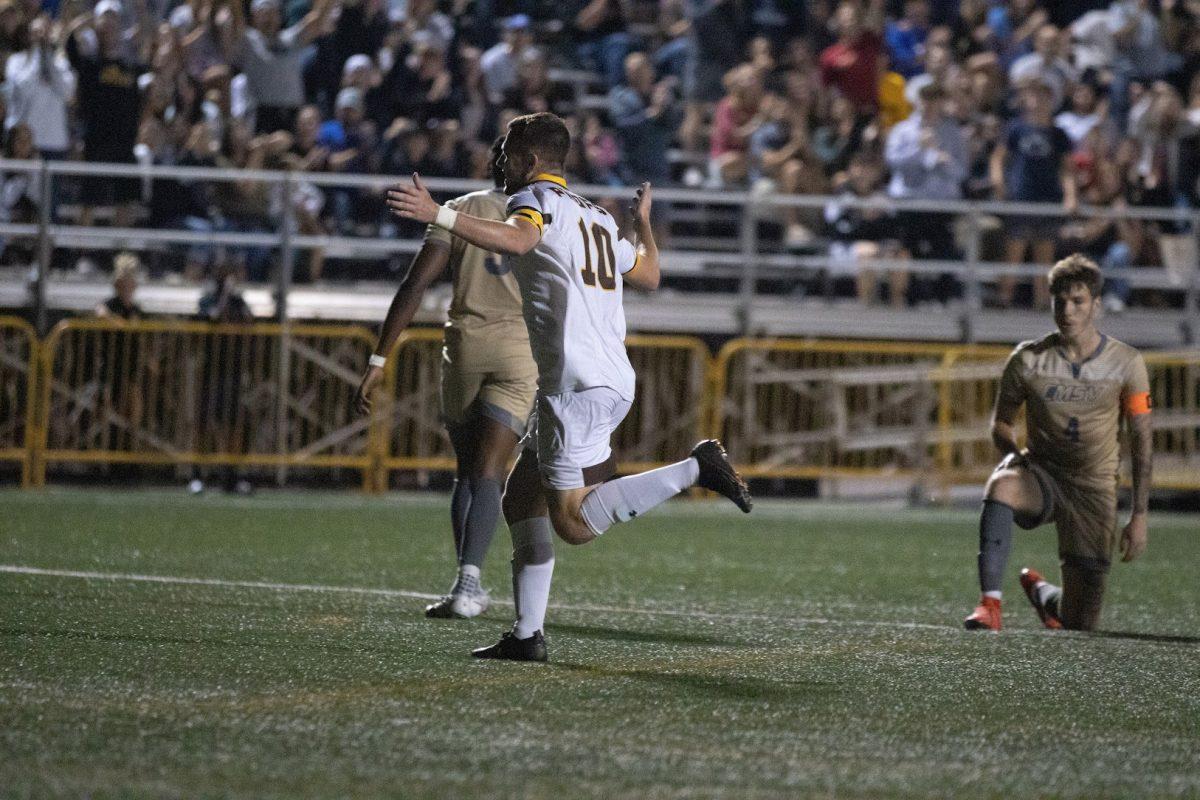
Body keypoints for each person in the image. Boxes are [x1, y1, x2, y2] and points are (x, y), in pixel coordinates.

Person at [387, 111, 752, 662]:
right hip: (604, 379)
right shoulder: (597, 218)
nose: (500, 161)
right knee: (519, 500)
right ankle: (528, 635)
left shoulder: (534, 200)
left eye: (507, 151)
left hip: (573, 386)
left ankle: (696, 468)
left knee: (574, 522)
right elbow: (650, 273)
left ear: (531, 161)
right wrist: (642, 224)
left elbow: (517, 241)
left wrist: (438, 213)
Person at [357, 138, 537, 620]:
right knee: (489, 473)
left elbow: (415, 284)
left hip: (465, 348)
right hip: (519, 353)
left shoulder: (460, 208)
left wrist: (378, 360)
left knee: (467, 471)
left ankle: (465, 581)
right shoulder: (548, 215)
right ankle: (470, 583)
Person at [963, 254, 1153, 633]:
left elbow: (1142, 438)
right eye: (1059, 301)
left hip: (1095, 489)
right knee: (1002, 485)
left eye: (1078, 301)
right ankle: (990, 605)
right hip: (1044, 476)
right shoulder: (1028, 359)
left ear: (1096, 305)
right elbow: (1000, 425)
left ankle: (1045, 596)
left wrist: (1140, 515)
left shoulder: (1127, 363)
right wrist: (1016, 457)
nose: (1067, 310)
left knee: (1080, 623)